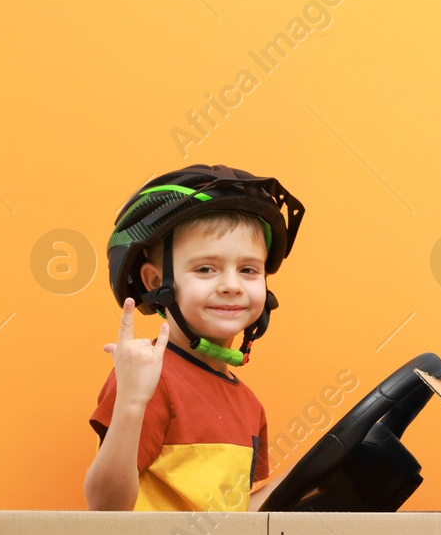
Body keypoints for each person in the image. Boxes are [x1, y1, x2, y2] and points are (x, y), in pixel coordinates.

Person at [83, 165, 304, 512]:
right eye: (205, 269)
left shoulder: (249, 405)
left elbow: (238, 515)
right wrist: (131, 401)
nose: (231, 285)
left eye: (248, 269)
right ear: (157, 281)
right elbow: (104, 506)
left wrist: (315, 474)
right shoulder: (149, 379)